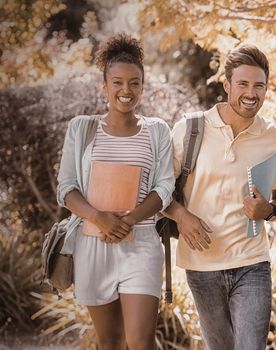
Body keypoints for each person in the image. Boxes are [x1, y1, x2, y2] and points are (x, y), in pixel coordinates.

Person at [163, 44, 276, 349]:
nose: (251, 93)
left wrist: (270, 212)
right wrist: (181, 216)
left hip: (252, 263)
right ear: (227, 85)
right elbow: (159, 189)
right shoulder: (190, 130)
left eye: (259, 85)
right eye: (243, 84)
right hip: (202, 265)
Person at [56, 33, 175, 349]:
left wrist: (130, 219)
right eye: (118, 82)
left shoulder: (157, 130)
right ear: (104, 85)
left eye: (134, 83)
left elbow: (164, 187)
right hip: (93, 246)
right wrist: (99, 218)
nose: (126, 90)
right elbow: (66, 188)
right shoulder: (82, 128)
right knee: (110, 342)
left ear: (142, 85)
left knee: (140, 342)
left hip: (142, 244)